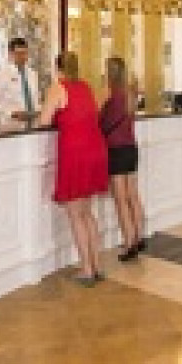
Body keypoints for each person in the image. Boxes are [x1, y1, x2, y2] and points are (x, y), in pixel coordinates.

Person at [38, 51, 109, 286]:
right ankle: (97, 265)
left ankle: (87, 269)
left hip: (75, 152)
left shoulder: (57, 88)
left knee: (75, 214)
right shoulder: (86, 87)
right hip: (94, 149)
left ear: (58, 68)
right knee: (87, 213)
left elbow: (44, 121)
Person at [100, 57, 145, 262]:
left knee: (121, 200)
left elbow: (97, 117)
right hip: (131, 148)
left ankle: (129, 243)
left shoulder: (108, 92)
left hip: (115, 150)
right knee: (133, 196)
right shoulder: (131, 93)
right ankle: (139, 236)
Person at [0, 37, 39, 127]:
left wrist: (38, 111)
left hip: (33, 122)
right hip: (10, 124)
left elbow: (35, 98)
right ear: (10, 54)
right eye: (18, 53)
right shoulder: (1, 75)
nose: (22, 57)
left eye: (24, 53)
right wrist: (12, 113)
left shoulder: (32, 74)